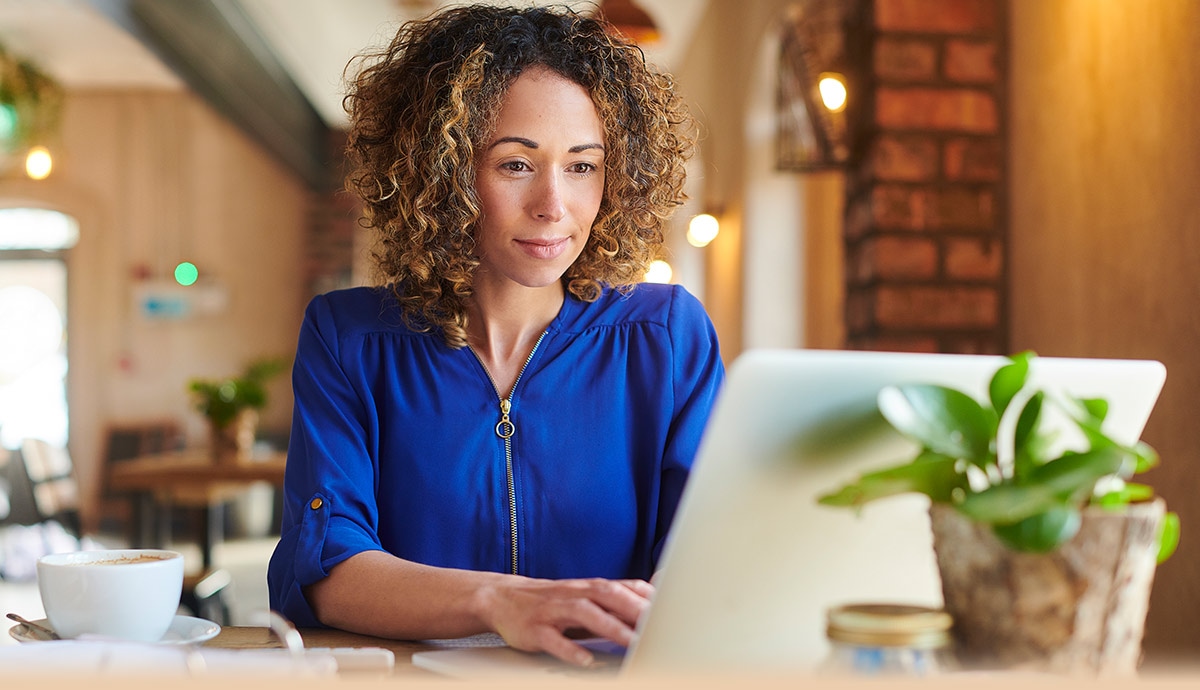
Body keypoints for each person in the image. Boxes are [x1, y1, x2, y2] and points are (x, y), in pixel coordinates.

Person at [266, 4, 724, 667]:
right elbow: (327, 567)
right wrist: (499, 602)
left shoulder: (667, 336)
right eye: (515, 164)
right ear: (443, 172)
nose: (554, 205)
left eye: (582, 166)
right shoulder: (349, 337)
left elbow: (712, 555)